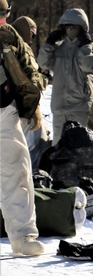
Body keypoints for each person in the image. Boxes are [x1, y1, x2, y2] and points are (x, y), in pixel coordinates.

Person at [0, 0, 46, 256]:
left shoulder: (10, 36)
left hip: (5, 110)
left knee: (17, 171)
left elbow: (31, 70)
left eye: (5, 15)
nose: (3, 21)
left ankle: (22, 236)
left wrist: (33, 103)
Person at [36, 7, 93, 143]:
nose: (70, 29)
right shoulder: (59, 48)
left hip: (80, 107)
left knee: (81, 149)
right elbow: (43, 63)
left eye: (74, 26)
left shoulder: (91, 49)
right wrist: (49, 44)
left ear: (82, 28)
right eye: (67, 26)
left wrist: (85, 46)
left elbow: (87, 65)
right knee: (59, 149)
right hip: (60, 108)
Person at [10, 15, 50, 171]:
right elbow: (31, 80)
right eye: (32, 34)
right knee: (33, 144)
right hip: (25, 106)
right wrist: (44, 79)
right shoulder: (22, 49)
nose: (32, 39)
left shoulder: (8, 45)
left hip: (11, 105)